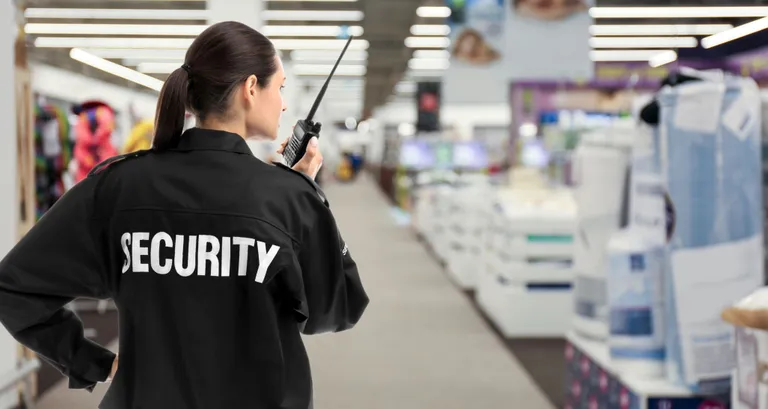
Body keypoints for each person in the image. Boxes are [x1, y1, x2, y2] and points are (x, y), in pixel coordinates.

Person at [0, 21, 369, 409]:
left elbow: (13, 289)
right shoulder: (287, 198)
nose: (284, 104)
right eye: (279, 88)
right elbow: (338, 310)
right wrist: (309, 193)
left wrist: (93, 362)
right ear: (249, 88)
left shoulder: (116, 186)